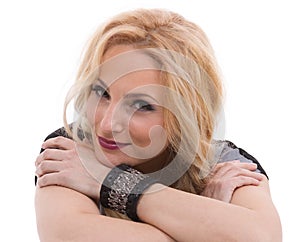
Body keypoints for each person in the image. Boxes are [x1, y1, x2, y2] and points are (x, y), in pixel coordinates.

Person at [35, 8, 282, 242]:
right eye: (102, 92)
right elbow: (69, 235)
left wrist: (108, 181)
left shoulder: (225, 165)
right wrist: (205, 227)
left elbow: (260, 238)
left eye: (142, 106)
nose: (108, 124)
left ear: (186, 115)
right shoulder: (69, 150)